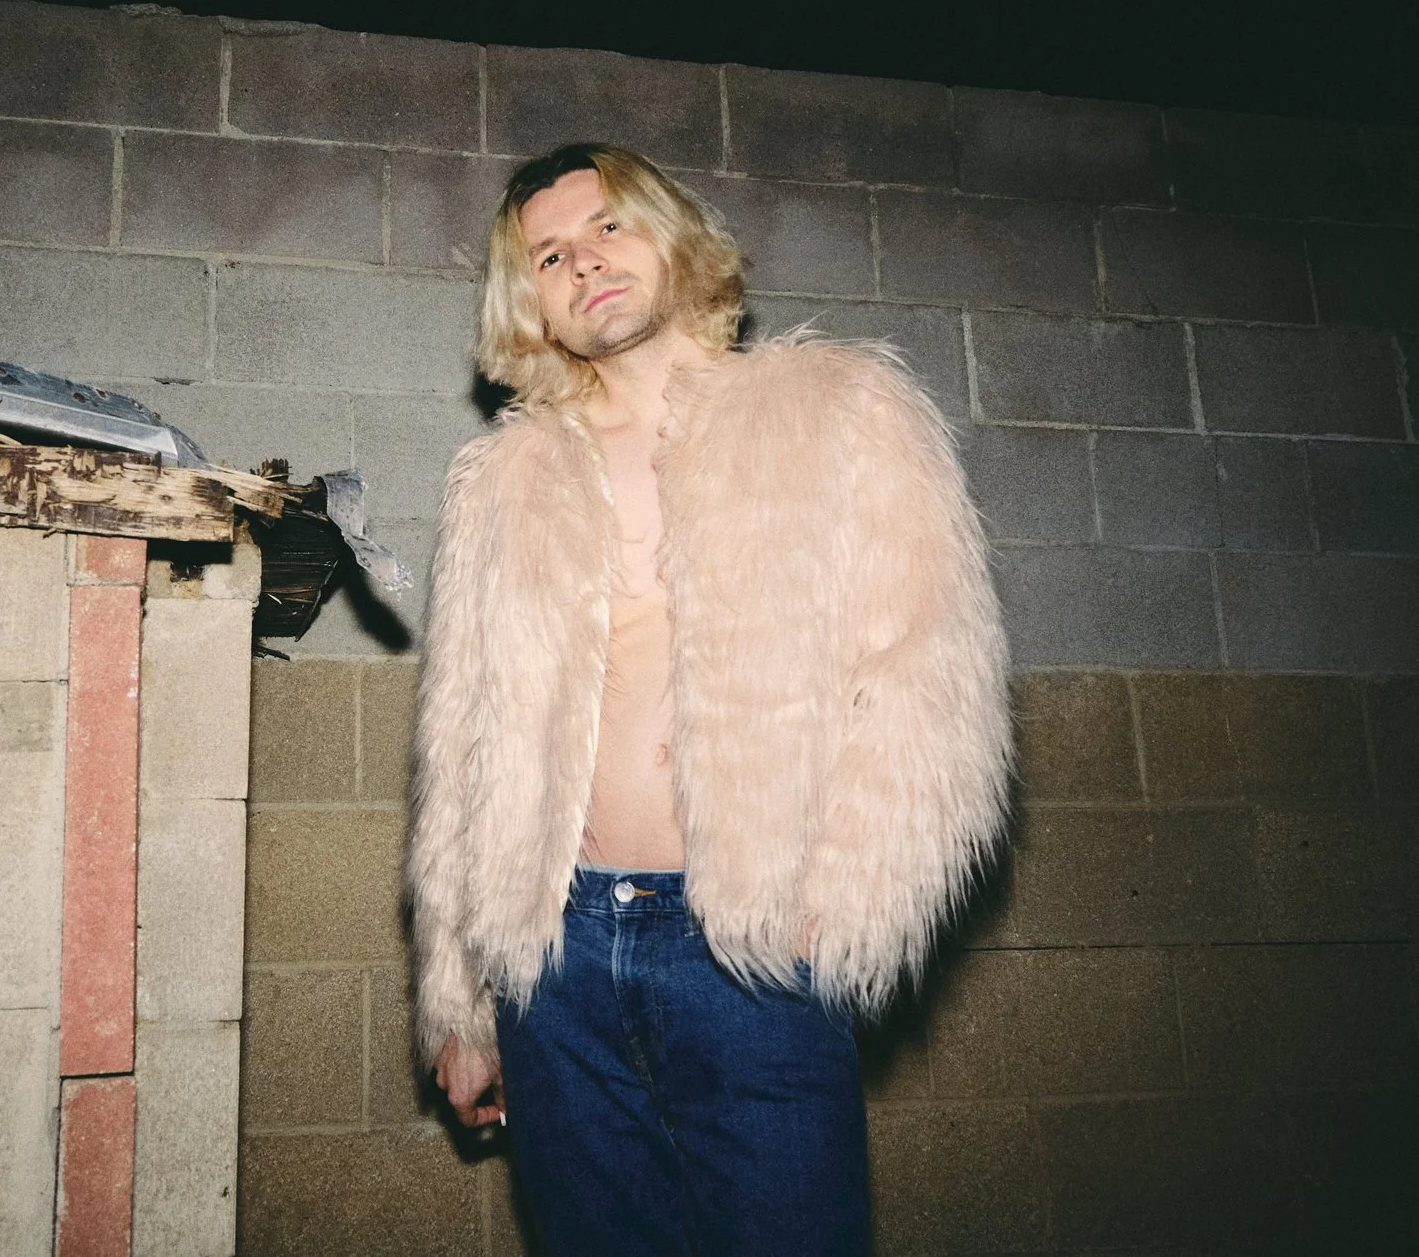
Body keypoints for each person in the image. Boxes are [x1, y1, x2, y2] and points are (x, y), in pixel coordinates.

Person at [405, 143, 1013, 1256]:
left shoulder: (839, 407)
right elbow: (463, 753)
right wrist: (461, 1004)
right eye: (547, 253)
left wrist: (841, 910)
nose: (580, 261)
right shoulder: (502, 480)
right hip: (555, 956)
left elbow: (931, 674)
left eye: (606, 227)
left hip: (749, 948)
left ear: (672, 237)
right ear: (526, 299)